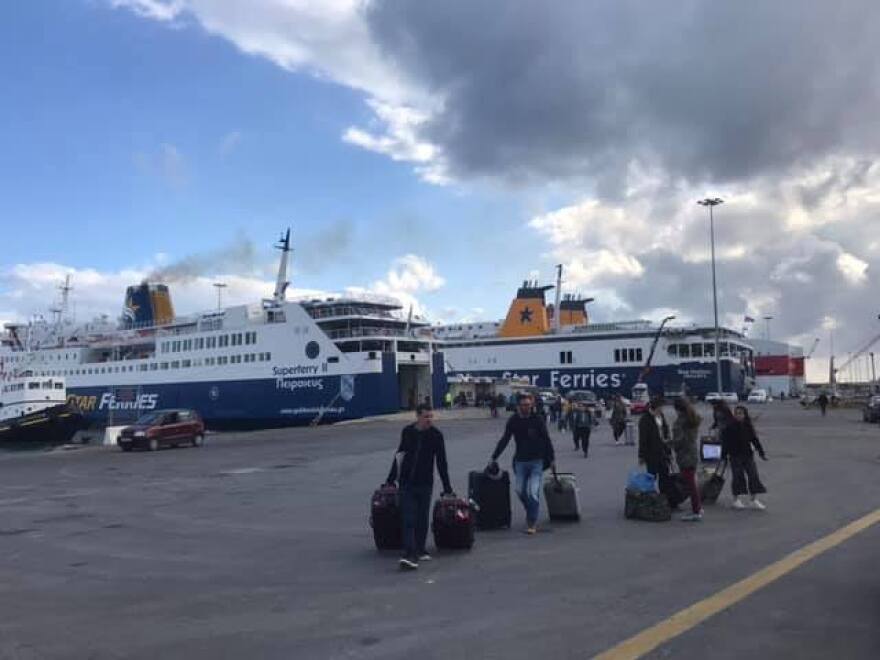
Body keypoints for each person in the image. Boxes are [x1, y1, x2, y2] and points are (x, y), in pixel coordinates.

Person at [386, 405, 454, 570]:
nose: (429, 419)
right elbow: (400, 455)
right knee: (408, 518)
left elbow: (441, 462)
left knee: (422, 518)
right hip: (407, 482)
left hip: (425, 483)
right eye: (426, 416)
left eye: (431, 416)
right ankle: (409, 554)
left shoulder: (436, 435)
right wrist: (390, 479)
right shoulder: (407, 432)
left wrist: (447, 487)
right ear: (417, 416)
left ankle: (420, 549)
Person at [489, 392, 555, 534]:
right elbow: (505, 439)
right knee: (519, 491)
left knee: (532, 492)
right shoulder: (513, 421)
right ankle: (530, 509)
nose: (527, 408)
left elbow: (546, 439)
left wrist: (552, 458)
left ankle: (531, 522)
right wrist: (494, 457)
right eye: (524, 405)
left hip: (537, 461)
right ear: (518, 406)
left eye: (529, 405)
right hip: (520, 461)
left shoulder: (537, 419)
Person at [721, 405, 768, 510]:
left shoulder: (748, 426)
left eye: (740, 413)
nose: (738, 415)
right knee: (738, 477)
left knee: (753, 475)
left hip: (748, 455)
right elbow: (725, 443)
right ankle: (736, 500)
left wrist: (761, 453)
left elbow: (755, 440)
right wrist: (723, 456)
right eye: (736, 413)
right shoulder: (729, 427)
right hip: (735, 456)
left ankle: (754, 499)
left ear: (745, 414)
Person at [670, 397, 703, 521]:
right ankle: (698, 507)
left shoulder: (680, 422)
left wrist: (668, 443)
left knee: (690, 485)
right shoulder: (693, 419)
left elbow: (679, 441)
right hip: (693, 453)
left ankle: (696, 511)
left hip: (685, 455)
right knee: (692, 482)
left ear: (677, 409)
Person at [638, 397, 674, 503]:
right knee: (651, 477)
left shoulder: (661, 416)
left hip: (663, 452)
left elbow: (666, 431)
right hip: (651, 453)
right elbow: (643, 439)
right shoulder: (645, 419)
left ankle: (665, 498)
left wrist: (669, 450)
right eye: (661, 407)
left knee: (665, 476)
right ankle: (651, 498)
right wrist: (641, 455)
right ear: (655, 407)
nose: (662, 410)